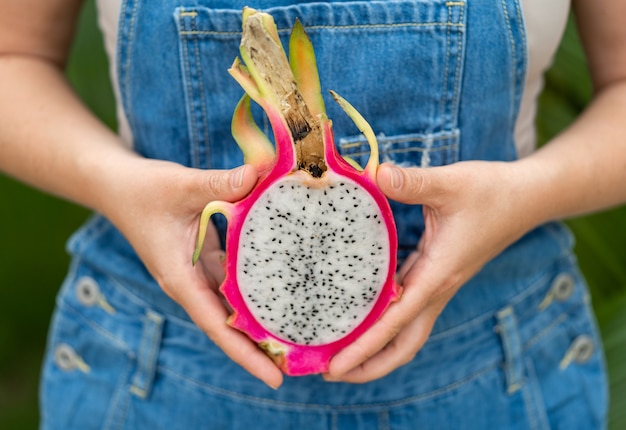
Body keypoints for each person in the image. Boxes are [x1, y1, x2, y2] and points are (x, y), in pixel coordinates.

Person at [1, 0, 624, 428]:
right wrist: (119, 184)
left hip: (492, 378)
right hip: (161, 375)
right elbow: (12, 57)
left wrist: (524, 195)